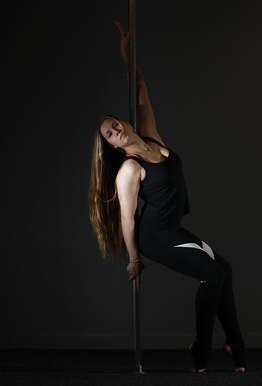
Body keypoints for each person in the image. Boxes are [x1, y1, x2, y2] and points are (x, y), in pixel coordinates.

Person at [88, 21, 247, 373]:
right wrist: (133, 259)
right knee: (212, 275)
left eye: (116, 123)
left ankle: (233, 342)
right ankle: (201, 352)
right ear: (113, 145)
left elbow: (141, 90)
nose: (116, 131)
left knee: (225, 270)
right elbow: (128, 219)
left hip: (172, 228)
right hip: (156, 237)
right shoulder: (129, 169)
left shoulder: (152, 137)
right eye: (110, 134)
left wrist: (126, 57)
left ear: (124, 123)